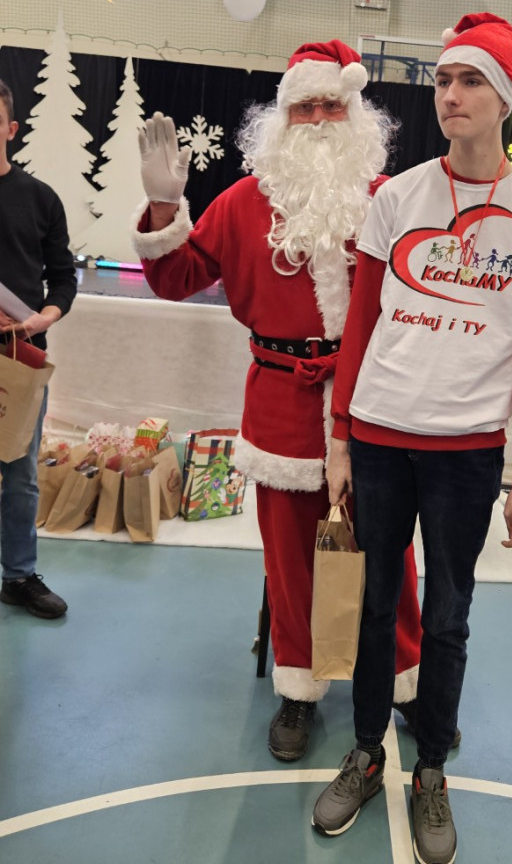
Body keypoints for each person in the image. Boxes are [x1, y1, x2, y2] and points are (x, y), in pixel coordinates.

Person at [312, 14, 512, 864]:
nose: (450, 95)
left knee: (450, 617)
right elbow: (360, 324)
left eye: (469, 82)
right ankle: (365, 753)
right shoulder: (396, 198)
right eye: (442, 81)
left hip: (467, 452)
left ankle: (430, 769)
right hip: (381, 438)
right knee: (373, 606)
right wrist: (342, 437)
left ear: (505, 98)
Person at [130, 40, 422, 762]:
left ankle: (408, 680)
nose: (318, 120)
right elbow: (176, 278)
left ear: (356, 115)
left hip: (373, 398)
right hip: (282, 400)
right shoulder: (243, 203)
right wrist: (165, 207)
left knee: (387, 546)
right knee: (291, 557)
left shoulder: (390, 200)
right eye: (304, 107)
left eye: (331, 106)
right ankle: (298, 687)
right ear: (282, 118)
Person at [0, 79, 76, 619]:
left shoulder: (41, 199)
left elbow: (63, 278)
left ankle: (18, 576)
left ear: (10, 129)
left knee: (20, 472)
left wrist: (43, 317)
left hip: (19, 359)